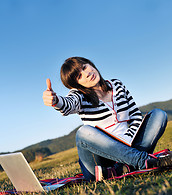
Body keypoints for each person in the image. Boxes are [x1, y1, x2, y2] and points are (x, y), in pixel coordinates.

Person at [43, 56, 172, 181]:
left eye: (84, 67)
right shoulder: (79, 95)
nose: (87, 74)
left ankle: (125, 166)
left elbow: (135, 116)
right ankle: (143, 161)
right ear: (76, 84)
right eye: (79, 76)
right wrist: (55, 101)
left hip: (130, 147)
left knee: (158, 114)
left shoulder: (117, 84)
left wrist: (127, 138)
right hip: (100, 162)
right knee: (83, 132)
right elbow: (68, 104)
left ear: (91, 64)